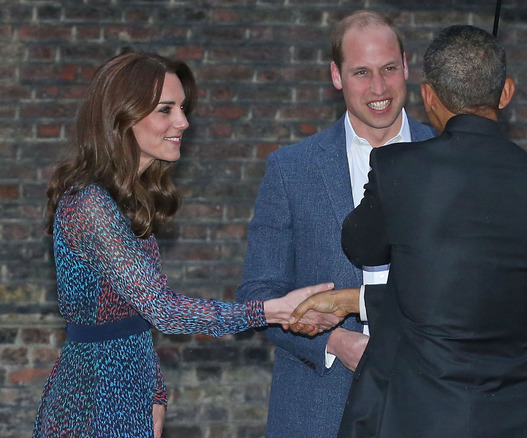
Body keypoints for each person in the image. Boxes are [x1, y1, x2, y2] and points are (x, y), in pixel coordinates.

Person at [33, 50, 336, 438]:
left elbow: (135, 318)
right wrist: (269, 311)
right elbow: (164, 311)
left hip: (128, 393)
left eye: (182, 107)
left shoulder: (126, 200)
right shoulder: (90, 204)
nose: (183, 121)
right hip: (93, 401)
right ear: (121, 117)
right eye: (166, 109)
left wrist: (155, 394)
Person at [292, 24, 527, 438]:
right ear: (507, 92)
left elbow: (361, 246)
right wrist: (357, 300)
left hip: (419, 416)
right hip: (515, 420)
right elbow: (477, 299)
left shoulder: (399, 169)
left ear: (428, 96)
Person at [234, 10, 436, 438]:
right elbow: (258, 293)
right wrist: (333, 343)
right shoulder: (292, 169)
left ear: (406, 64)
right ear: (336, 76)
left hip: (433, 404)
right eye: (361, 72)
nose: (378, 88)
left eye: (388, 69)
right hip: (317, 407)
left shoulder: (448, 155)